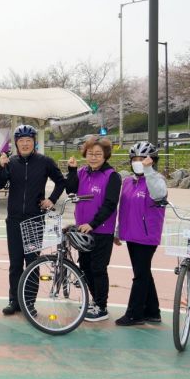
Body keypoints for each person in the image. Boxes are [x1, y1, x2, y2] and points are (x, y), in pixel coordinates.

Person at [0, 125, 66, 315]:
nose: (25, 144)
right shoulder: (10, 162)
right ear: (16, 143)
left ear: (34, 142)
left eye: (28, 140)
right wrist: (2, 167)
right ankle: (14, 301)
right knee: (15, 263)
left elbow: (61, 181)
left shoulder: (45, 162)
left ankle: (29, 302)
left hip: (35, 219)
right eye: (21, 140)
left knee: (32, 262)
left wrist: (52, 200)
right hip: (14, 220)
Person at [66, 136, 121, 322]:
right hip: (82, 230)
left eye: (98, 154)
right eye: (90, 153)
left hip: (101, 231)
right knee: (85, 267)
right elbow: (71, 190)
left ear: (106, 155)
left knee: (98, 268)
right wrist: (72, 171)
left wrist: (93, 224)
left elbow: (110, 204)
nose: (94, 157)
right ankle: (94, 300)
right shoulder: (82, 172)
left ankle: (102, 307)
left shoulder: (112, 176)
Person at [115, 141, 167, 326]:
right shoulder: (128, 181)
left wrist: (149, 171)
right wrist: (118, 230)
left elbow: (158, 195)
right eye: (135, 158)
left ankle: (134, 314)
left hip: (147, 236)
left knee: (140, 275)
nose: (139, 162)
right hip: (131, 234)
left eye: (143, 158)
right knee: (143, 272)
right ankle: (153, 312)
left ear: (152, 160)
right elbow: (124, 208)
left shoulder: (156, 179)